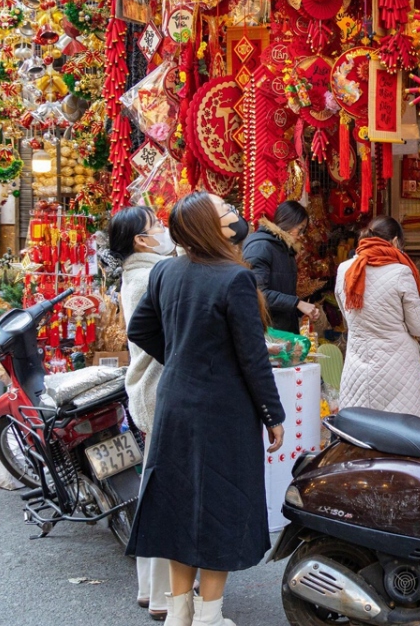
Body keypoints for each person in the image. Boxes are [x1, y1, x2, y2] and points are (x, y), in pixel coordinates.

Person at [125, 192, 285, 626]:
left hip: (175, 402)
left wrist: (180, 356)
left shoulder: (165, 271)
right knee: (221, 506)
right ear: (207, 227)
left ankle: (180, 613)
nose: (235, 215)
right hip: (223, 410)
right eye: (225, 211)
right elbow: (252, 358)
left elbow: (139, 328)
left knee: (180, 505)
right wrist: (274, 415)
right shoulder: (235, 277)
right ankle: (209, 616)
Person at [101, 206, 175, 621]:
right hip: (158, 388)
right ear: (141, 241)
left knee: (158, 486)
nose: (163, 230)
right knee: (166, 491)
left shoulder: (144, 273)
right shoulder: (152, 276)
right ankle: (163, 592)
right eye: (156, 226)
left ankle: (155, 588)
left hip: (149, 389)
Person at [335, 216, 420, 421]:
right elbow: (418, 327)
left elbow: (348, 317)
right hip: (398, 370)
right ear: (396, 241)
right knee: (404, 435)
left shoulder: (344, 269)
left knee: (362, 433)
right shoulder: (400, 272)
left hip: (357, 365)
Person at [242, 201, 318, 333]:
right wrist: (297, 303)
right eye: (300, 229)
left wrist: (300, 310)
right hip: (266, 332)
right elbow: (258, 293)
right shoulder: (261, 247)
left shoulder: (285, 250)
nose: (301, 235)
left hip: (282, 331)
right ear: (288, 222)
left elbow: (282, 292)